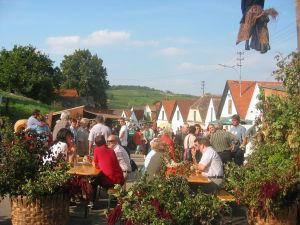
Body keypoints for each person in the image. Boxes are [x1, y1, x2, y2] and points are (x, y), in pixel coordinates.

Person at [92, 135, 124, 203]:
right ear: (105, 142)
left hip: (110, 181)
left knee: (93, 181)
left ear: (96, 144)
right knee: (98, 178)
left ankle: (92, 202)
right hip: (120, 178)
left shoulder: (97, 150)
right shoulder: (111, 150)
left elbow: (95, 164)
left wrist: (94, 164)